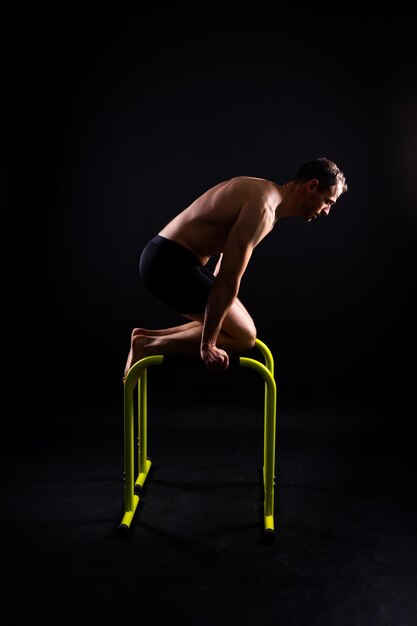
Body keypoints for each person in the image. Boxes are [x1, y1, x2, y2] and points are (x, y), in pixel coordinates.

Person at [124, 157, 348, 377]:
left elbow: (224, 263)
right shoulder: (263, 208)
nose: (327, 211)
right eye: (328, 201)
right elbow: (227, 281)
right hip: (168, 263)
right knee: (244, 336)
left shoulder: (266, 196)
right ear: (312, 186)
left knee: (234, 326)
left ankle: (146, 340)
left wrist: (215, 310)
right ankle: (148, 345)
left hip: (169, 257)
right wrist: (207, 345)